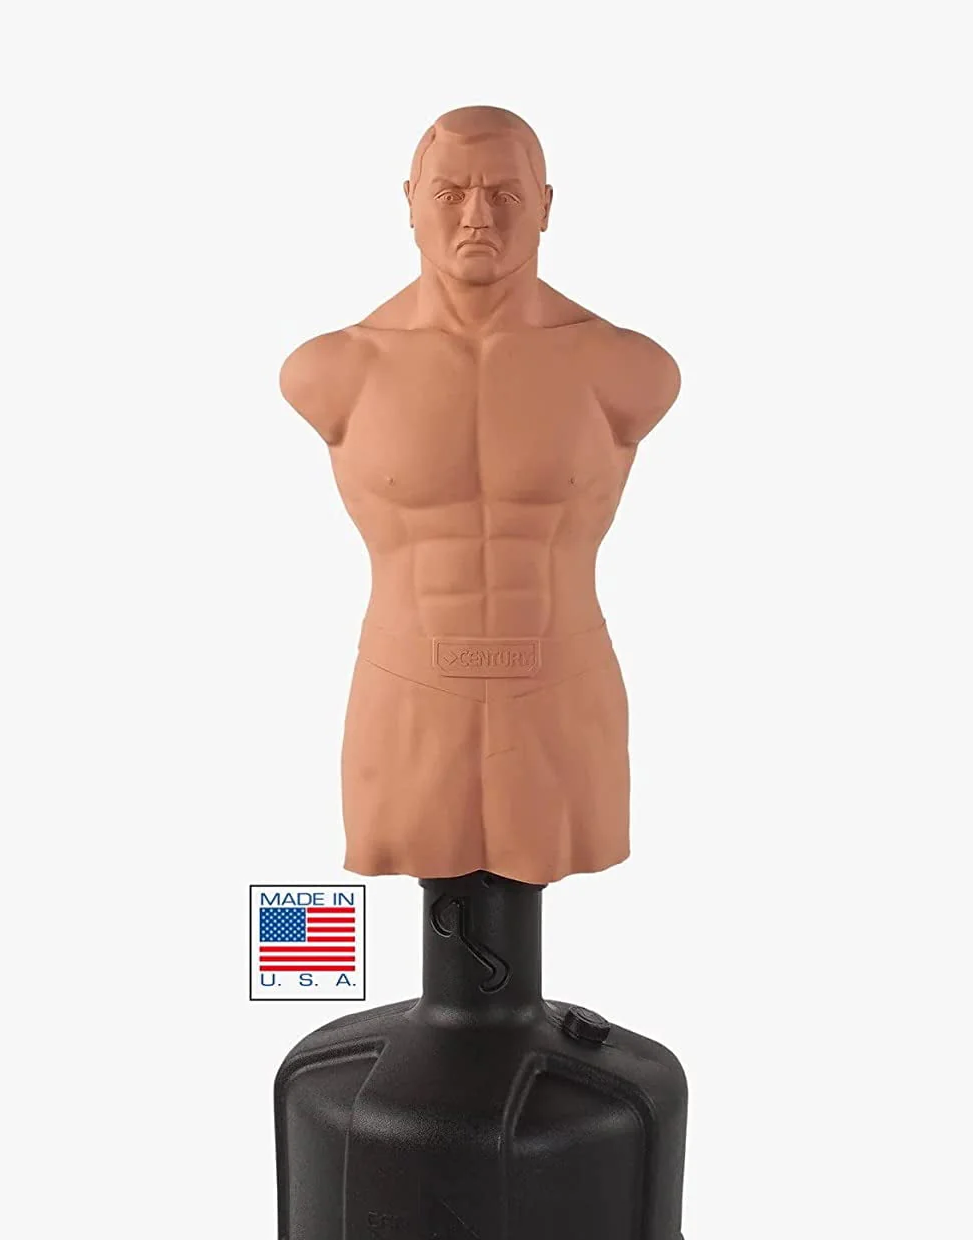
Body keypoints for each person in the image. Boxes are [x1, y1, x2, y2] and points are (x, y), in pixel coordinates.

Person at [280, 106, 680, 884]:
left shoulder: (625, 367)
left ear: (546, 206)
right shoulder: (334, 369)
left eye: (504, 195)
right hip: (406, 690)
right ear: (408, 201)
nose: (476, 217)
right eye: (449, 193)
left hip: (563, 688)